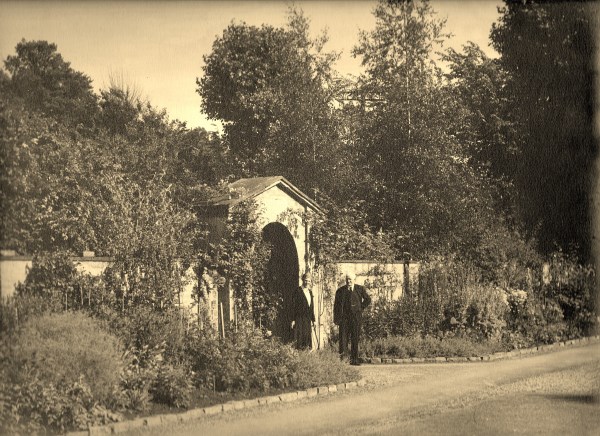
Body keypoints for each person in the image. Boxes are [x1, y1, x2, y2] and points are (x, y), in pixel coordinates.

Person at [333, 272, 371, 365]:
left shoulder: (359, 289)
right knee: (343, 339)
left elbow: (368, 299)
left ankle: (354, 360)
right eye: (347, 279)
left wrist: (360, 308)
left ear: (354, 280)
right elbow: (336, 306)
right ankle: (343, 360)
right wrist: (336, 319)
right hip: (344, 319)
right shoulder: (340, 291)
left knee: (355, 338)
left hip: (355, 318)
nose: (348, 281)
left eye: (350, 279)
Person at [291, 272, 315, 349]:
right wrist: (293, 319)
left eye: (308, 281)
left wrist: (313, 320)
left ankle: (306, 353)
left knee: (307, 336)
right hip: (299, 318)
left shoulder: (310, 292)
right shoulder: (297, 291)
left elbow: (311, 307)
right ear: (302, 280)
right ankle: (299, 353)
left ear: (310, 282)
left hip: (307, 319)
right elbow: (293, 306)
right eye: (305, 280)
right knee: (299, 336)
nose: (307, 282)